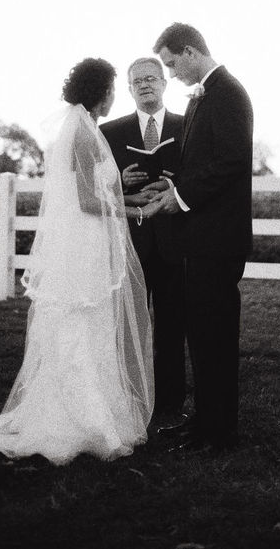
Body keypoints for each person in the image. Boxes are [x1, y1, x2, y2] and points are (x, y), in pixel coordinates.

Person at [0, 58, 155, 465]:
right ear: (101, 92)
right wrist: (134, 210)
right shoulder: (81, 131)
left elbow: (95, 192)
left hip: (89, 240)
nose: (114, 96)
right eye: (112, 89)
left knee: (91, 320)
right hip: (85, 242)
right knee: (83, 319)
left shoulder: (83, 127)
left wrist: (132, 196)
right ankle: (78, 416)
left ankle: (92, 407)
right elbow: (86, 201)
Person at [150, 23, 253, 451]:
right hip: (200, 239)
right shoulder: (201, 97)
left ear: (191, 52)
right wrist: (173, 182)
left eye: (172, 64)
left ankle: (220, 431)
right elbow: (202, 162)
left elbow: (231, 160)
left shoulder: (228, 93)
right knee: (202, 335)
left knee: (217, 337)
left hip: (219, 239)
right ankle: (204, 420)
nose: (171, 74)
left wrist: (182, 197)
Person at [100, 57, 186, 415]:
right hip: (130, 242)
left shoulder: (187, 125)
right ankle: (131, 400)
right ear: (129, 89)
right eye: (138, 81)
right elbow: (95, 185)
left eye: (152, 78)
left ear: (164, 83)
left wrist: (174, 184)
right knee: (129, 327)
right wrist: (121, 181)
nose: (145, 85)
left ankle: (170, 404)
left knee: (172, 326)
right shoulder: (110, 131)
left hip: (174, 240)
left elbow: (200, 175)